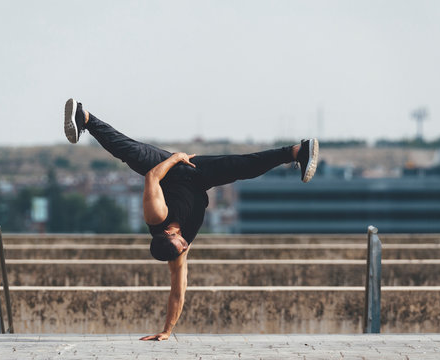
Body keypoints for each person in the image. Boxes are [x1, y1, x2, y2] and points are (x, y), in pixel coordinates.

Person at [63, 98, 319, 341]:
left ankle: (84, 116)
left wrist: (175, 157)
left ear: (168, 234)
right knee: (242, 166)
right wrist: (166, 331)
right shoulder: (178, 252)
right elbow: (177, 292)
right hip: (199, 176)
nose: (187, 246)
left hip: (169, 167)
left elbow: (152, 177)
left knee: (127, 150)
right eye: (184, 247)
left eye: (181, 244)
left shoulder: (157, 216)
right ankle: (298, 151)